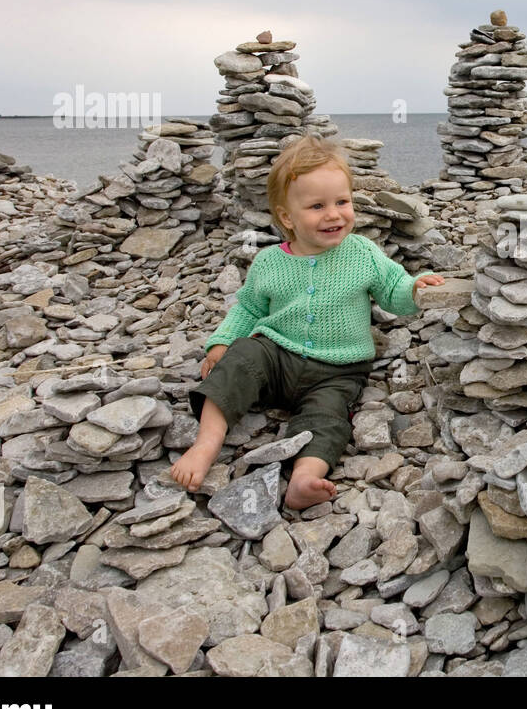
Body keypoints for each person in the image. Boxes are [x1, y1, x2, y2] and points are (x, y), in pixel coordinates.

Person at [170, 135, 444, 509]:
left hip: (339, 370)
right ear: (287, 217)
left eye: (342, 202)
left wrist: (414, 288)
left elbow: (391, 287)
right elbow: (248, 308)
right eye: (317, 206)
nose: (334, 214)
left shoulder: (361, 252)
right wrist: (221, 343)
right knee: (243, 356)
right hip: (277, 357)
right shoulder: (269, 262)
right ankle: (206, 443)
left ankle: (304, 477)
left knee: (330, 417)